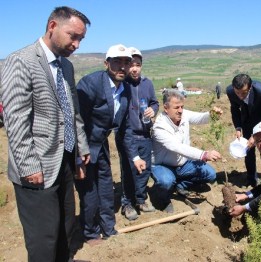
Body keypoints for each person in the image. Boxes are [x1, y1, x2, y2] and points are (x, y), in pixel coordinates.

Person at [0, 6, 91, 261]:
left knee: (65, 227)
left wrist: (80, 148)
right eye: (73, 35)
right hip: (36, 165)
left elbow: (72, 112)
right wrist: (29, 166)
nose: (77, 44)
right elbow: (15, 119)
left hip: (64, 160)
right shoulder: (21, 60)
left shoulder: (66, 67)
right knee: (43, 237)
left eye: (81, 39)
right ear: (52, 26)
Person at [75, 44, 133, 244]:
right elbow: (76, 120)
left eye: (126, 62)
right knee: (89, 191)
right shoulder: (90, 84)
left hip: (101, 145)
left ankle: (108, 227)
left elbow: (124, 128)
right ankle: (90, 231)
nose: (122, 67)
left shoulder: (125, 90)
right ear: (106, 63)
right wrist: (79, 155)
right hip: (82, 146)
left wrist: (134, 156)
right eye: (117, 61)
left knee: (106, 188)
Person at [151, 89, 222, 213]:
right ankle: (162, 199)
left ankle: (180, 185)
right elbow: (176, 147)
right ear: (166, 108)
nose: (180, 110)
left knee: (210, 174)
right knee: (166, 181)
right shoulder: (160, 126)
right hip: (162, 165)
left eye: (182, 107)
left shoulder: (183, 115)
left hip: (182, 163)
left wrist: (212, 115)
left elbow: (200, 118)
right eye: (176, 107)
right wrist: (204, 154)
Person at [116, 47, 159, 221]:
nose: (134, 68)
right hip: (127, 136)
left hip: (145, 134)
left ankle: (141, 199)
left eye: (138, 65)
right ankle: (127, 203)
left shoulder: (147, 83)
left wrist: (152, 110)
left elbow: (155, 102)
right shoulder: (121, 85)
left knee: (145, 169)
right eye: (131, 65)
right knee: (128, 170)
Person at [226, 73, 261, 187]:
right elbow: (235, 109)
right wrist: (238, 127)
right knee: (248, 150)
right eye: (237, 93)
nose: (240, 96)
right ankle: (251, 179)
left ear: (250, 87)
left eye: (244, 92)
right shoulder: (230, 91)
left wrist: (257, 135)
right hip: (247, 122)